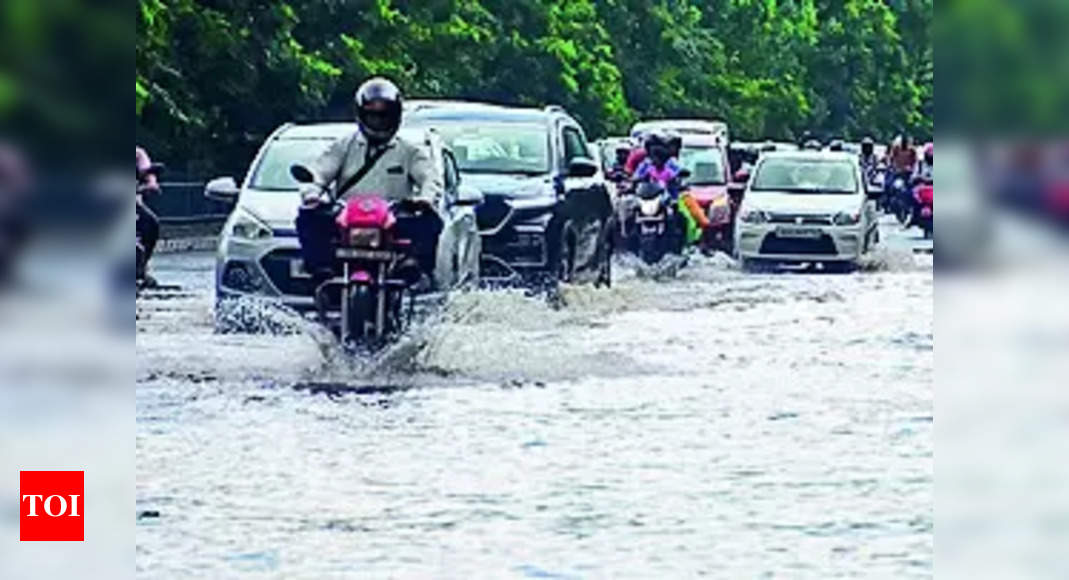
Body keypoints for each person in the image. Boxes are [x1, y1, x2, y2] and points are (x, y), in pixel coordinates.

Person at [296, 77, 443, 287]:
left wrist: (425, 200)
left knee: (430, 220)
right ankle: (321, 268)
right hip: (346, 218)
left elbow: (430, 177)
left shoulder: (410, 152)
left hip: (393, 218)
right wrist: (312, 194)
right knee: (308, 216)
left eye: (384, 116)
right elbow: (319, 172)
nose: (379, 121)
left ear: (395, 117)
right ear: (361, 115)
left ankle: (413, 264)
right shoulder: (343, 146)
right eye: (372, 116)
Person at [136, 146, 163, 287]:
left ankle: (142, 266)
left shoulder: (138, 153)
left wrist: (151, 184)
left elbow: (146, 171)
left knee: (152, 223)